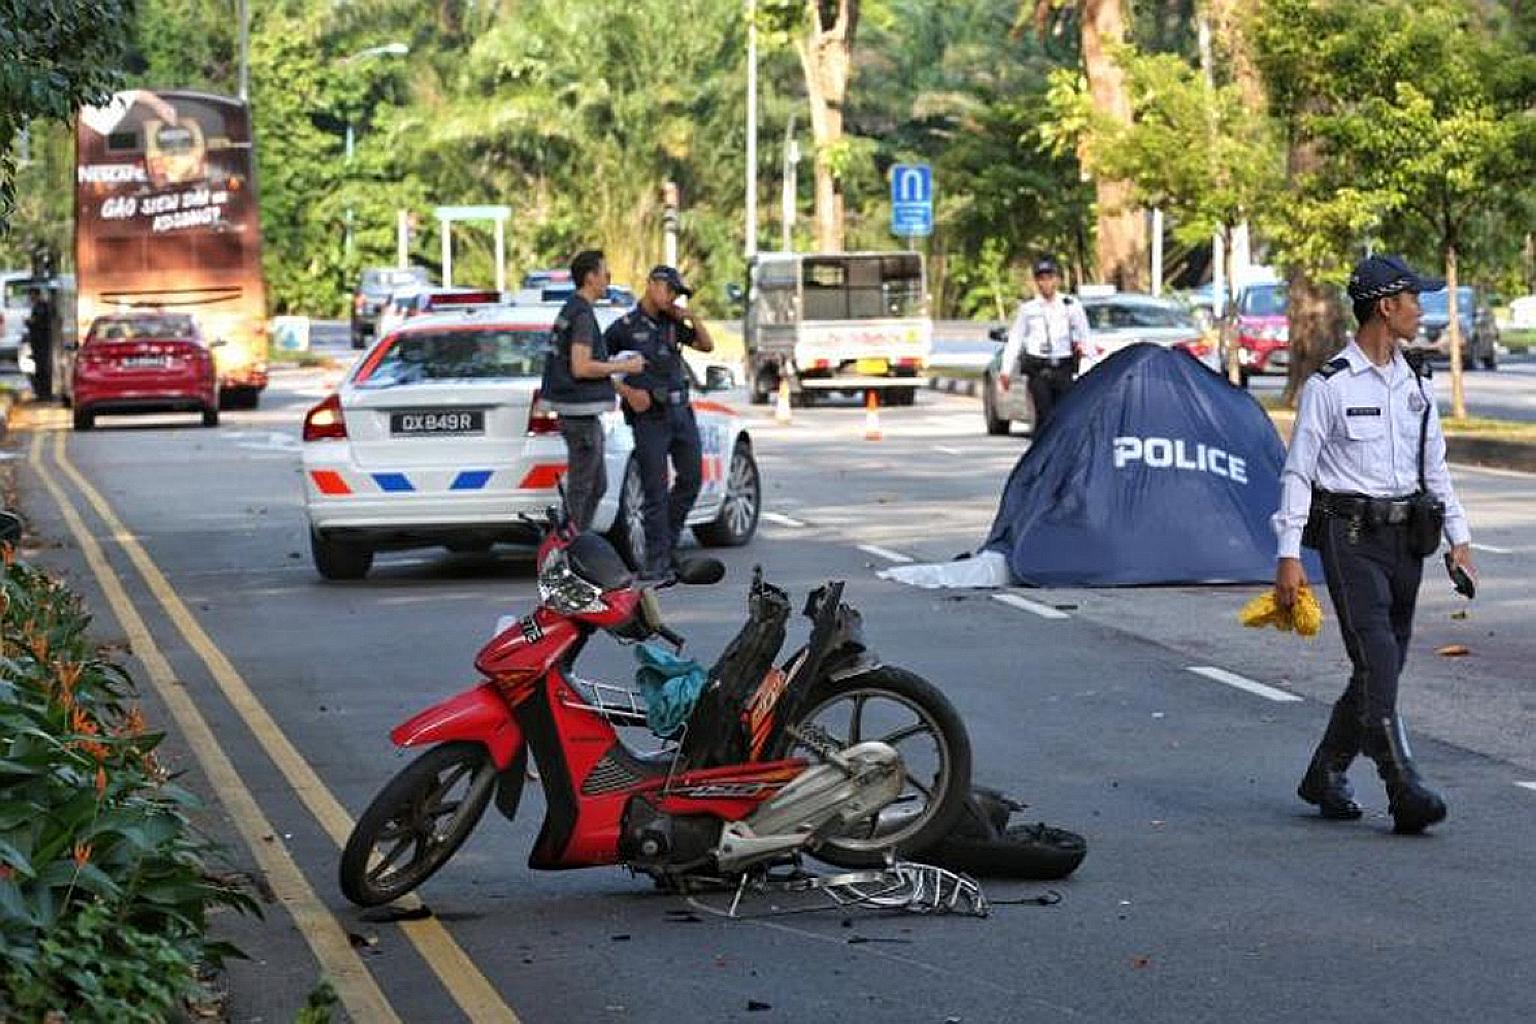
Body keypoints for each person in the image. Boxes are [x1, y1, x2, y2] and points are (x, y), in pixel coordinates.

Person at [1273, 254, 1475, 834]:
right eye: (1415, 299)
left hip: (1405, 540)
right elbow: (1298, 473)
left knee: (1376, 672)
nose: (1422, 310)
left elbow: (1433, 465)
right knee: (1378, 660)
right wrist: (1289, 555)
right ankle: (1402, 786)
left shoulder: (1416, 379)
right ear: (1387, 307)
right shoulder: (1329, 386)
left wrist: (1460, 538)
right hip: (1350, 537)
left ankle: (1325, 772)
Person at [606, 265, 715, 582]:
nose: (673, 297)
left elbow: (706, 346)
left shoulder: (673, 324)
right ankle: (657, 559)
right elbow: (595, 366)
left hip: (681, 412)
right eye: (670, 290)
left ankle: (669, 540)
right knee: (654, 488)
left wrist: (691, 317)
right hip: (649, 416)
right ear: (652, 285)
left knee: (692, 478)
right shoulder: (625, 327)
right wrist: (627, 391)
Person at [538, 250, 643, 531]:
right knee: (583, 488)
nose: (608, 280)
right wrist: (625, 367)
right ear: (590, 277)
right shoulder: (581, 314)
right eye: (605, 274)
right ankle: (569, 549)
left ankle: (576, 542)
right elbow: (581, 367)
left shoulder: (572, 309)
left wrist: (618, 385)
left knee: (597, 485)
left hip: (581, 412)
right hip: (579, 415)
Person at [998, 257, 1090, 432]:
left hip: (1063, 366)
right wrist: (1005, 370)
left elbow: (1085, 336)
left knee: (1065, 414)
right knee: (1044, 414)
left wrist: (1089, 364)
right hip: (1038, 368)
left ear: (1057, 279)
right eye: (1041, 278)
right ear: (1036, 282)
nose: (1045, 283)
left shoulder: (1070, 306)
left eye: (1049, 277)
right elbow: (1015, 339)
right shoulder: (1029, 309)